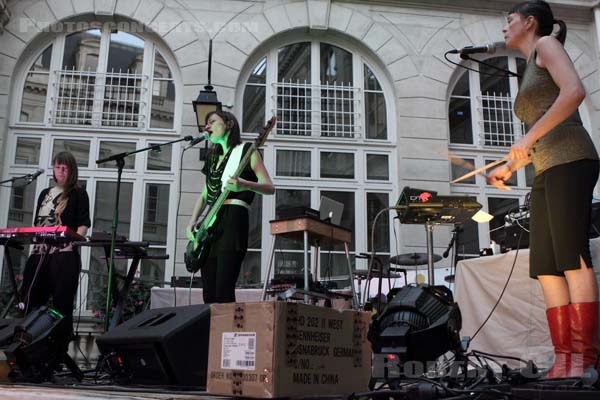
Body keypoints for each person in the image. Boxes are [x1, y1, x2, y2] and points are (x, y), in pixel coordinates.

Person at [487, 1, 599, 378]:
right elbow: (536, 136)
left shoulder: (548, 45)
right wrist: (508, 167)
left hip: (572, 158)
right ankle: (564, 359)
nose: (505, 28)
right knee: (548, 268)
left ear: (529, 22)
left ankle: (585, 359)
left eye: (510, 20)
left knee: (572, 257)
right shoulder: (529, 63)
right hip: (546, 166)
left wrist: (528, 138)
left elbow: (574, 92)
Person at [186, 111, 274, 303]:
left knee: (223, 291)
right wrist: (192, 221)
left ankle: (226, 331)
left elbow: (269, 187)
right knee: (209, 294)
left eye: (212, 122)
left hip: (233, 219)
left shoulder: (247, 150)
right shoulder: (212, 158)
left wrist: (245, 184)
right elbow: (205, 193)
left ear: (229, 124)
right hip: (211, 224)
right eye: (205, 124)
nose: (206, 127)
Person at [20, 151, 91, 352]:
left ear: (71, 170)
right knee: (31, 299)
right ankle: (29, 349)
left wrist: (74, 239)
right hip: (40, 254)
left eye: (65, 167)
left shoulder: (78, 193)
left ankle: (58, 353)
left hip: (64, 254)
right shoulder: (45, 193)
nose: (60, 170)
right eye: (57, 166)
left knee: (62, 304)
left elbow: (83, 224)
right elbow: (37, 224)